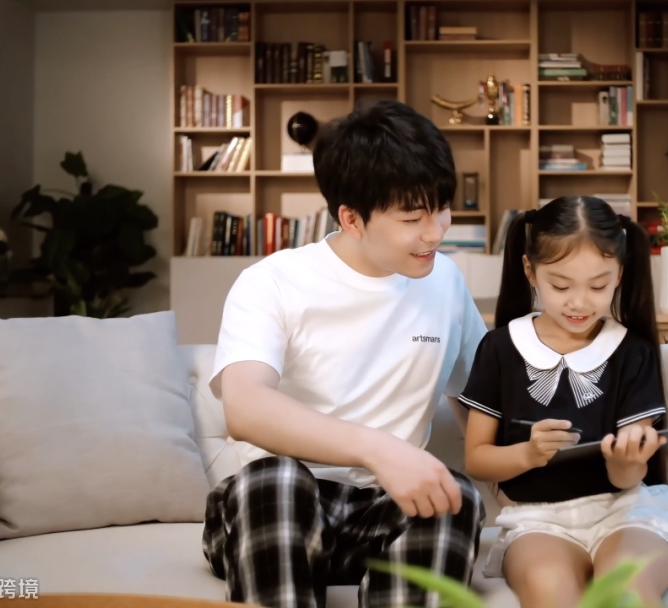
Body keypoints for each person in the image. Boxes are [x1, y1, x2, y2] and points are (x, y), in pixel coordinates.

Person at [202, 100, 488, 608]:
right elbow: (244, 407)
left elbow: (482, 403)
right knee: (277, 480)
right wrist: (378, 449)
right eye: (413, 217)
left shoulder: (445, 281)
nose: (436, 231)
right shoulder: (273, 281)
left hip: (384, 510)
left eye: (441, 208)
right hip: (276, 511)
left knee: (454, 497)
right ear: (351, 218)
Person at [458, 196, 668, 608]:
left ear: (620, 274)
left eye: (598, 286)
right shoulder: (500, 348)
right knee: (551, 592)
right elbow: (477, 460)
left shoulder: (632, 351)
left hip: (626, 512)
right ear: (530, 271)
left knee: (625, 592)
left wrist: (626, 462)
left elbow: (628, 477)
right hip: (537, 520)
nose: (579, 302)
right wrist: (528, 453)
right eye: (561, 285)